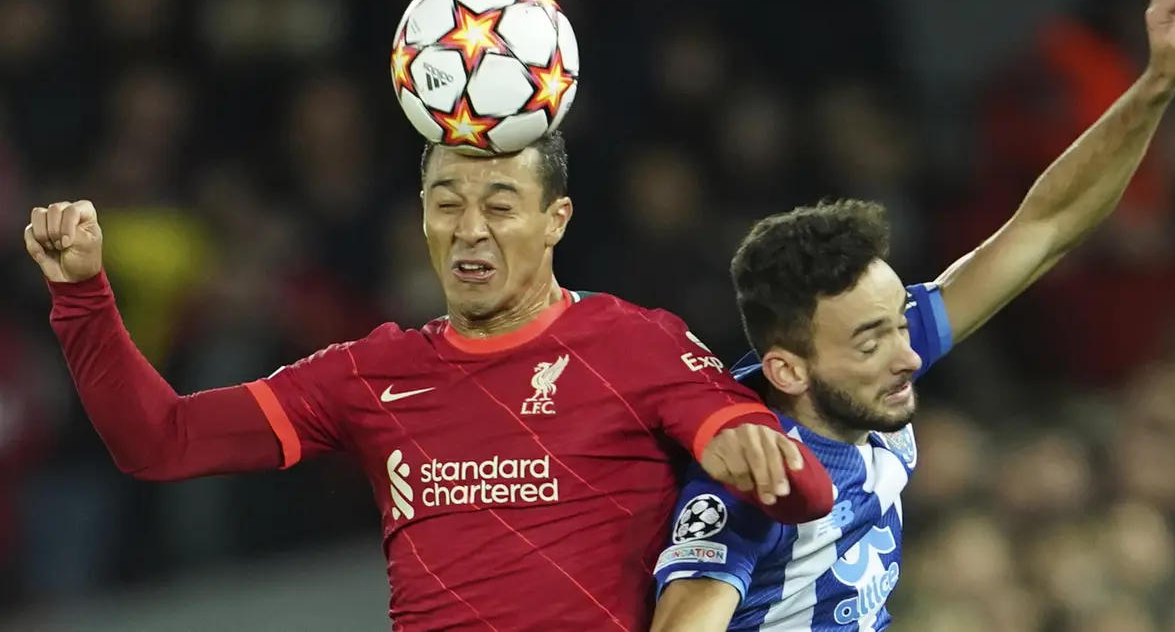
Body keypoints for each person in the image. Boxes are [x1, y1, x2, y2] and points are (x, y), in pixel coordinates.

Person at [24, 129, 835, 631]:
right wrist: (82, 297)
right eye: (446, 203)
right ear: (419, 213)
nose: (469, 229)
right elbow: (157, 442)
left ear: (557, 220)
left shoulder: (635, 343)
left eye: (500, 204)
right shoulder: (369, 373)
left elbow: (804, 489)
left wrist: (760, 461)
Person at [649, 0, 1175, 632]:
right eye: (870, 341)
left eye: (898, 325)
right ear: (787, 369)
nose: (906, 354)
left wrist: (1155, 83)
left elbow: (1046, 226)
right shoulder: (754, 479)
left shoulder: (879, 371)